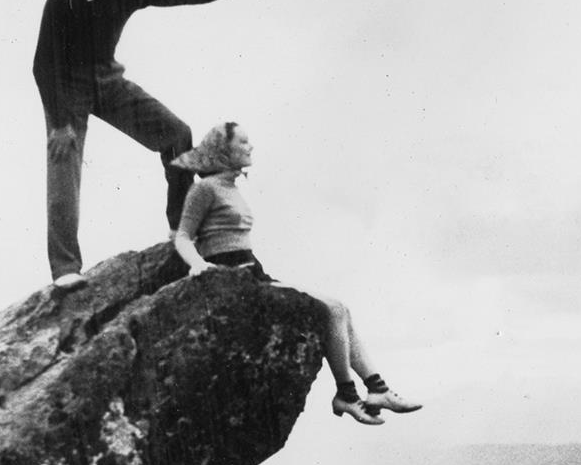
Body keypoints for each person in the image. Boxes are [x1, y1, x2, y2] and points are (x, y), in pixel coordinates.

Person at [33, 0, 273, 290]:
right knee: (64, 161)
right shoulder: (64, 0)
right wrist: (60, 123)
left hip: (108, 80)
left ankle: (181, 231)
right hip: (67, 86)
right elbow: (42, 65)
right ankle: (65, 268)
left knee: (177, 135)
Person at [170, 123, 422, 425]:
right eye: (244, 141)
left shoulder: (231, 187)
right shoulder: (205, 188)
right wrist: (198, 264)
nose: (251, 147)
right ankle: (348, 395)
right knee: (331, 309)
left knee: (340, 309)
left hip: (251, 271)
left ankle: (377, 389)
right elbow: (183, 236)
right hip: (230, 276)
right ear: (224, 149)